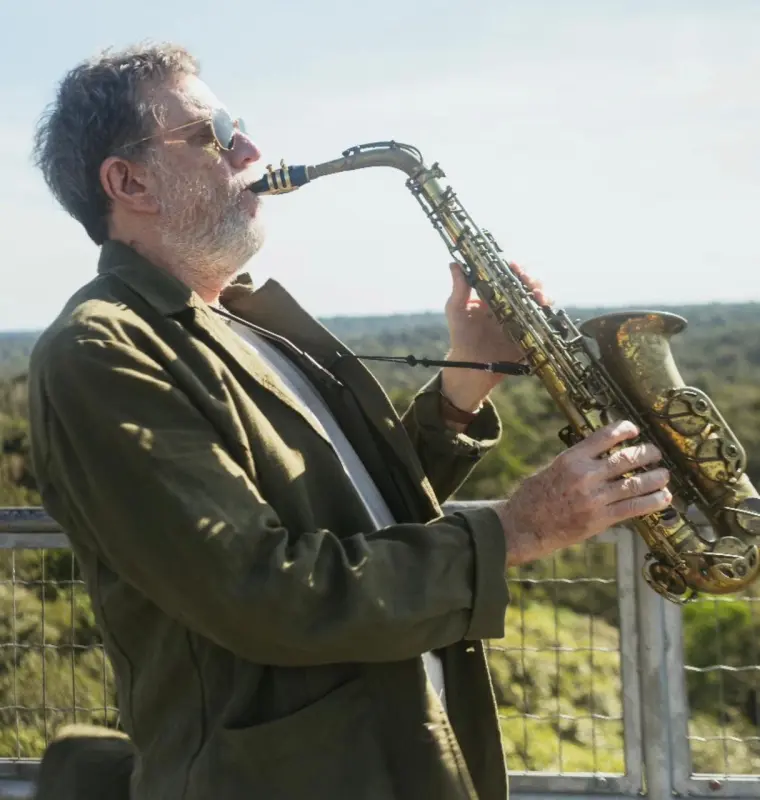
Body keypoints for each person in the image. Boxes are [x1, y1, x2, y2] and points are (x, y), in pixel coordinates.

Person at [26, 42, 672, 800]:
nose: (252, 150)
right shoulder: (99, 352)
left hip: (396, 755)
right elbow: (263, 592)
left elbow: (347, 512)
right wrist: (520, 528)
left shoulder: (241, 316)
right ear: (129, 181)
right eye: (217, 133)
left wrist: (462, 386)